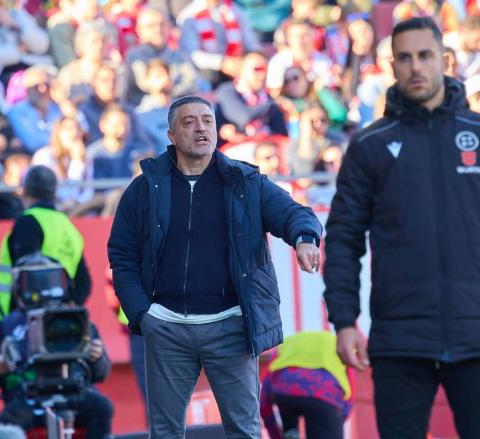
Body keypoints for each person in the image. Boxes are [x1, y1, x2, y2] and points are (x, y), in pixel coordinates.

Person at [323, 17, 480, 439]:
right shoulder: (370, 145)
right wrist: (345, 320)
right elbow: (343, 238)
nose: (415, 67)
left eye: (425, 56)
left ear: (444, 59)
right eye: (404, 58)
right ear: (392, 66)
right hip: (399, 341)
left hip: (479, 336)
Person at [107, 95, 322, 437]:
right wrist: (143, 314)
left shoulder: (245, 183)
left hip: (230, 326)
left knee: (244, 430)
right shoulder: (144, 188)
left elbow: (293, 212)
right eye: (189, 122)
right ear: (172, 136)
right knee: (163, 432)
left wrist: (305, 238)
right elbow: (121, 254)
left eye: (207, 120)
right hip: (166, 327)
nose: (201, 128)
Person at [0, 253, 113, 438]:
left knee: (101, 408)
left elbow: (102, 372)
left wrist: (96, 358)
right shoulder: (7, 327)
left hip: (74, 392)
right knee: (8, 422)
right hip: (28, 397)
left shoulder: (75, 319)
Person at [0, 165, 91, 325]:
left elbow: (25, 279)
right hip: (57, 323)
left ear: (25, 190)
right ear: (54, 192)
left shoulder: (28, 222)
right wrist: (65, 311)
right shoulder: (68, 227)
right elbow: (84, 283)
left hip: (24, 323)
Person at [260, 331, 355, 439]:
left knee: (289, 399)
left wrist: (276, 436)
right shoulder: (340, 345)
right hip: (324, 394)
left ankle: (291, 433)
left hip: (286, 391)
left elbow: (265, 398)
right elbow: (350, 395)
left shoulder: (286, 344)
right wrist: (334, 423)